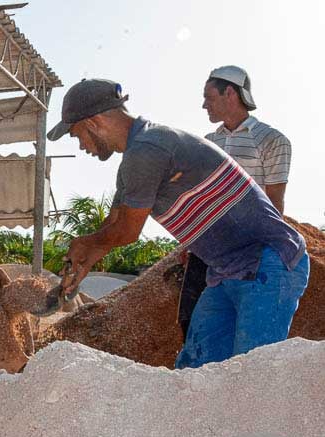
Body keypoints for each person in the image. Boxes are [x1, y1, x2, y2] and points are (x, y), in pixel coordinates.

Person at [47, 78, 309, 369]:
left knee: (251, 375)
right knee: (194, 372)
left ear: (94, 122)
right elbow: (113, 224)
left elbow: (127, 232)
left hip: (268, 262)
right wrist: (81, 266)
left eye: (76, 134)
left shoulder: (148, 150)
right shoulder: (135, 158)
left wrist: (85, 243)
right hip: (227, 271)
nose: (81, 145)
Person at [179, 66, 293, 336]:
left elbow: (275, 200)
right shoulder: (207, 143)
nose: (203, 104)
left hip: (249, 249)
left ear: (229, 92)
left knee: (243, 324)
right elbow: (200, 198)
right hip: (208, 246)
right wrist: (188, 240)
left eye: (208, 96)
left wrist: (269, 251)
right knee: (190, 319)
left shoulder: (272, 140)